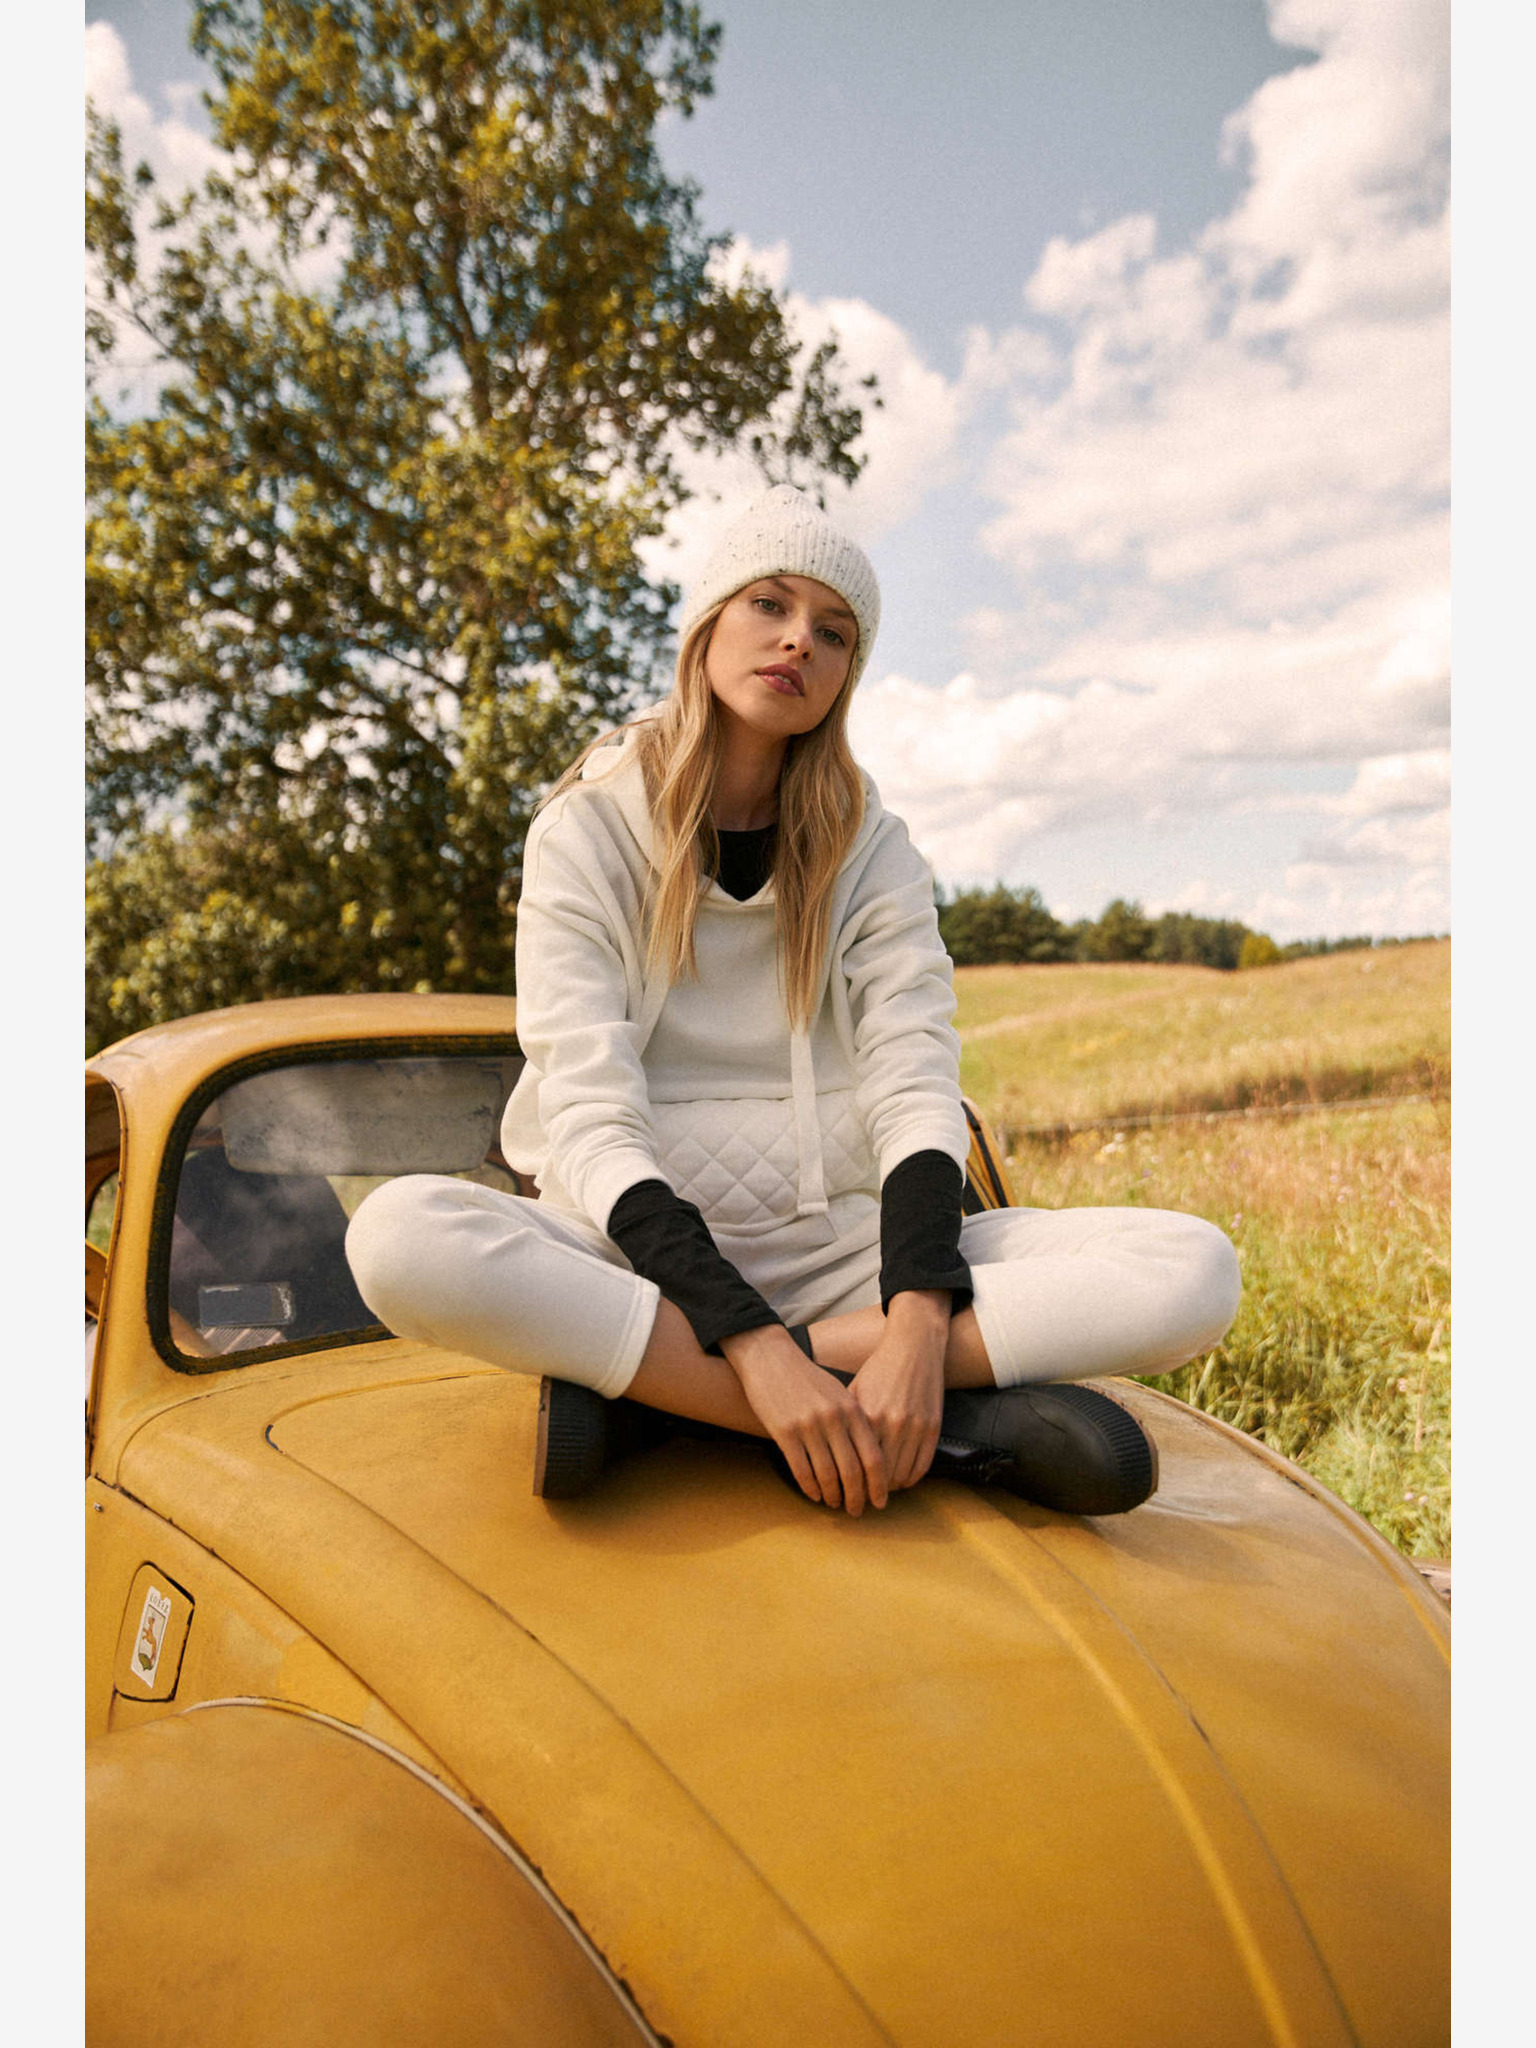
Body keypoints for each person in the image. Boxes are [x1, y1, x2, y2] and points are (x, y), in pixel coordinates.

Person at [345, 486, 1241, 1518]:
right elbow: (589, 1116)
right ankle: (894, 1420)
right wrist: (749, 1342)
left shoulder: (874, 848)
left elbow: (915, 1089)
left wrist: (915, 1326)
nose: (797, 641)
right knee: (399, 1236)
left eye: (834, 631)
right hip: (635, 1264)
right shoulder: (586, 830)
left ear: (846, 673)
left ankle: (667, 1405)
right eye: (769, 604)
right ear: (708, 623)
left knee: (1192, 1269)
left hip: (846, 1257)